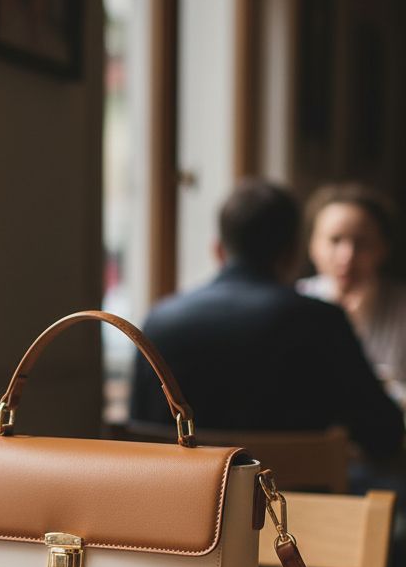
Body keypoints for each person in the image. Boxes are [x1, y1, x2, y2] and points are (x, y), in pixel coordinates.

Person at [129, 179, 404, 461]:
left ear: (218, 250)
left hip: (187, 488)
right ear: (294, 252)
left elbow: (138, 434)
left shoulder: (159, 321)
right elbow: (384, 433)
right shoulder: (321, 321)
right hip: (292, 488)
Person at [298, 181, 406, 410]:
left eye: (361, 243)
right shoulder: (294, 303)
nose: (347, 256)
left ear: (383, 248)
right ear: (312, 246)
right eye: (335, 240)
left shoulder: (401, 307)